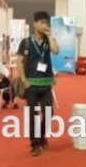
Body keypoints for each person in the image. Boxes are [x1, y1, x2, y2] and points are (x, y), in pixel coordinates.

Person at [15, 11, 60, 156]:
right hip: (32, 84)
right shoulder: (26, 42)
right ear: (34, 24)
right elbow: (19, 62)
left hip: (46, 84)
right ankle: (34, 144)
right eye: (41, 22)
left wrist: (50, 36)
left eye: (46, 23)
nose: (44, 25)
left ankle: (41, 136)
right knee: (32, 115)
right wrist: (24, 80)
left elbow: (56, 51)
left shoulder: (48, 41)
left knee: (49, 113)